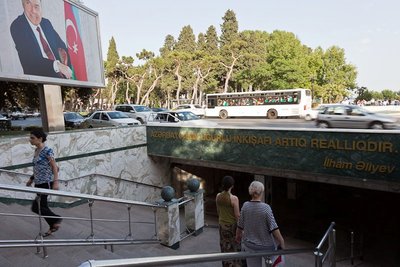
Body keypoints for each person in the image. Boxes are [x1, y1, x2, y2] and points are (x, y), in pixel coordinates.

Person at [10, 0, 73, 79]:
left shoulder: (46, 23)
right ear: (23, 5)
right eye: (28, 3)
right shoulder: (17, 26)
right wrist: (58, 66)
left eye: (36, 6)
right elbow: (31, 60)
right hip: (38, 81)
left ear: (41, 7)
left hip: (61, 78)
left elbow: (62, 47)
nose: (33, 10)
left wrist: (67, 68)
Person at [235, 181, 285, 267]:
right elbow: (273, 228)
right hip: (266, 246)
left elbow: (240, 225)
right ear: (262, 192)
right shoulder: (266, 208)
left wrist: (237, 236)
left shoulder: (245, 206)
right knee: (276, 261)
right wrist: (281, 241)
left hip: (249, 245)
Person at [26, 129, 62, 237]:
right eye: (30, 138)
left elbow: (54, 167)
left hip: (46, 183)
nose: (30, 140)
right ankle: (53, 225)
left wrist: (55, 182)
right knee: (42, 206)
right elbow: (38, 167)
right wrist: (31, 179)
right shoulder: (37, 150)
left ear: (40, 138)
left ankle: (56, 220)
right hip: (38, 182)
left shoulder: (47, 150)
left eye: (32, 138)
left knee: (37, 207)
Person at [216, 176, 241, 267]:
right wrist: (241, 229)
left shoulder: (218, 196)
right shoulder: (234, 198)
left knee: (224, 247)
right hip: (231, 227)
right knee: (234, 247)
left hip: (221, 225)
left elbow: (218, 211)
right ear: (232, 186)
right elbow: (237, 215)